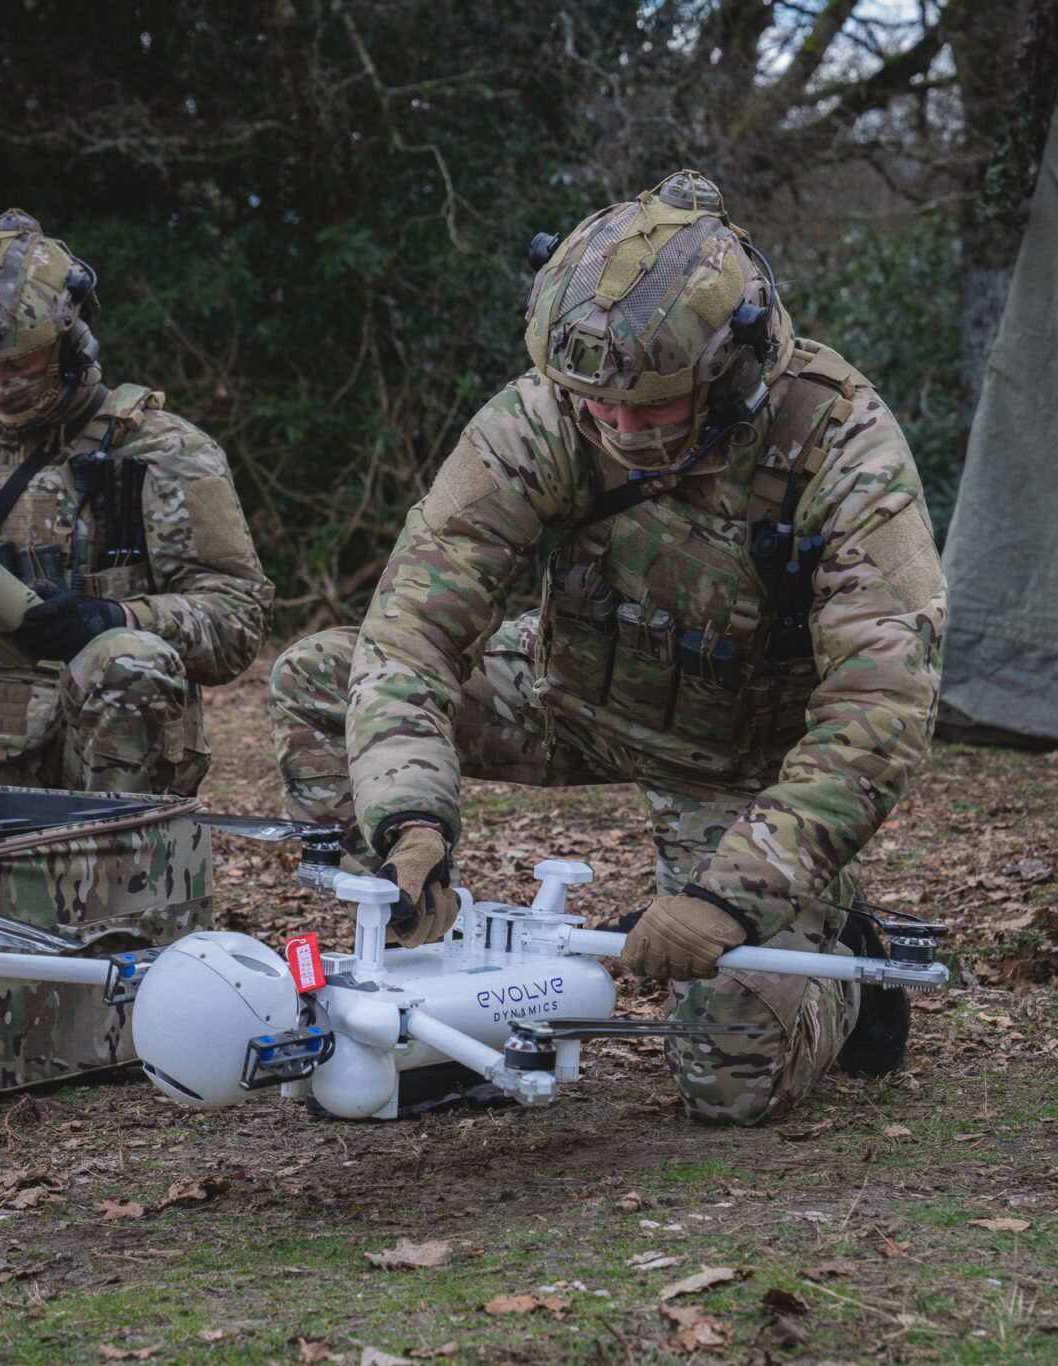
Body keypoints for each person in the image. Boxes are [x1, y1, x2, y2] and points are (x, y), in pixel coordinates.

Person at [268, 172, 947, 1124]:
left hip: (736, 764)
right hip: (565, 699)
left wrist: (734, 897)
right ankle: (417, 965)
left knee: (730, 1086)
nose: (621, 431)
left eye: (652, 410)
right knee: (318, 680)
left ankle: (843, 962)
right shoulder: (549, 412)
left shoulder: (841, 447)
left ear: (730, 369)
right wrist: (408, 825)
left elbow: (880, 712)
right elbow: (413, 625)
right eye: (600, 410)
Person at [0, 209, 272, 794]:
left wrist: (111, 619)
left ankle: (123, 856)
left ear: (68, 340)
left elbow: (237, 618)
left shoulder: (162, 448)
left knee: (123, 658)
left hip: (111, 756)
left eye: (18, 361)